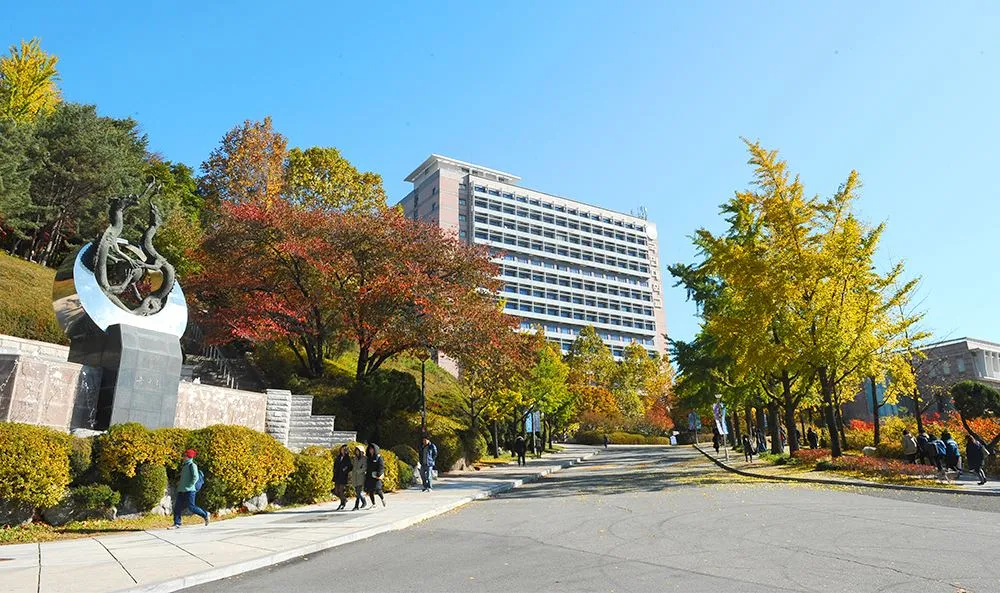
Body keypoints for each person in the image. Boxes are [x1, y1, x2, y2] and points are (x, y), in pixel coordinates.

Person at [170, 449, 209, 529]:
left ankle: (205, 514)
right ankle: (177, 523)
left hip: (190, 490)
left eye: (185, 455)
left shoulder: (192, 465)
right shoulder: (184, 466)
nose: (183, 457)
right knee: (177, 507)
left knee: (191, 507)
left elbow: (196, 477)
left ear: (189, 457)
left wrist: (190, 485)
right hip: (181, 490)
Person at [365, 443, 386, 508]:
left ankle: (382, 498)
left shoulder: (378, 457)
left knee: (378, 489)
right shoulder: (368, 458)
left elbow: (381, 467)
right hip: (369, 476)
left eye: (372, 449)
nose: (370, 450)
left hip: (376, 476)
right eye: (370, 449)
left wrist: (378, 474)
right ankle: (374, 504)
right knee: (370, 490)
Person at [333, 445, 352, 510]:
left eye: (344, 449)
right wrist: (334, 470)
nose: (342, 451)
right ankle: (344, 499)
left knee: (341, 491)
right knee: (336, 491)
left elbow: (350, 466)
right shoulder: (338, 457)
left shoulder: (347, 458)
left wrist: (345, 469)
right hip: (337, 476)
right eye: (341, 449)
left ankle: (342, 504)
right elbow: (335, 464)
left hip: (343, 476)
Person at [350, 444, 367, 510]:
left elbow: (365, 467)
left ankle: (356, 506)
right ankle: (363, 501)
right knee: (357, 492)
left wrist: (359, 471)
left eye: (358, 451)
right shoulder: (354, 458)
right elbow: (352, 466)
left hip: (361, 477)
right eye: (356, 451)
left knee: (359, 493)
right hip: (355, 477)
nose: (357, 452)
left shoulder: (365, 458)